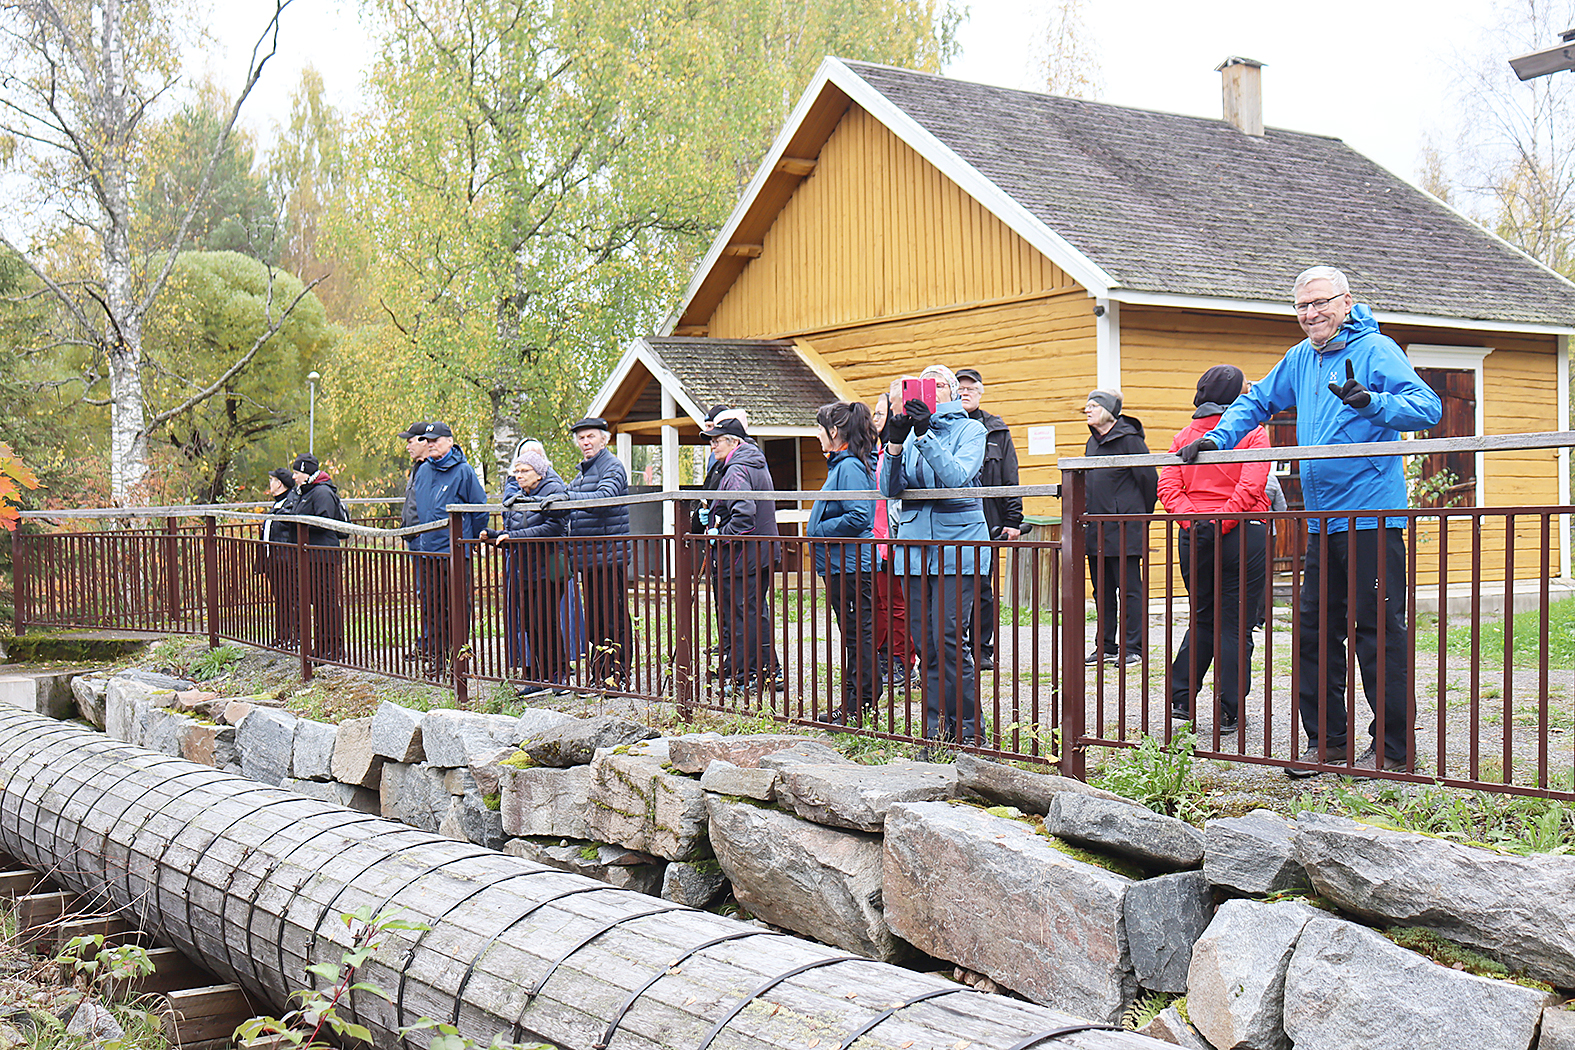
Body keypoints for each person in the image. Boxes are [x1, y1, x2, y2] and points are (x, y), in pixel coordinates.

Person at [1178, 265, 1442, 775]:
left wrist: (1372, 402)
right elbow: (1256, 400)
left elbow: (1425, 407)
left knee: (1377, 631)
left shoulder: (1376, 349)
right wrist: (1217, 440)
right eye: (1301, 306)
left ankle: (1392, 750)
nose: (1310, 314)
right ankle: (1328, 743)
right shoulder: (1300, 358)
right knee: (1315, 632)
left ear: (1345, 302)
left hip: (1371, 514)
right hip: (1322, 521)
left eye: (1320, 303)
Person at [880, 364, 989, 748]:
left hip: (957, 548)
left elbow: (957, 478)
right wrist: (894, 444)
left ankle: (969, 731)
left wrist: (925, 434)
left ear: (952, 392)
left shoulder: (971, 430)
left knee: (948, 638)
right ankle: (935, 730)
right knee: (923, 641)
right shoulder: (908, 434)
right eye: (924, 385)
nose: (930, 391)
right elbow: (889, 490)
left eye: (938, 384)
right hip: (913, 551)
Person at [1158, 365, 1270, 734]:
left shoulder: (1182, 437)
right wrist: (1222, 520)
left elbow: (1168, 486)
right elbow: (1253, 485)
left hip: (1195, 535)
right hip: (1243, 532)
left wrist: (1196, 521)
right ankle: (1229, 710)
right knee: (1236, 622)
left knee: (1203, 615)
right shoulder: (1253, 433)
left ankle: (1181, 699)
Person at [807, 400, 878, 722]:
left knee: (857, 634)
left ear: (834, 431)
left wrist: (818, 530)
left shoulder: (848, 466)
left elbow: (860, 515)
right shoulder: (843, 464)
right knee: (853, 632)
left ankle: (859, 705)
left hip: (851, 565)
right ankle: (857, 702)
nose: (817, 435)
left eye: (820, 428)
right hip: (842, 565)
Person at [703, 414, 783, 693]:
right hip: (759, 552)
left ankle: (748, 675)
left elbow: (744, 515)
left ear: (733, 442)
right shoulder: (752, 462)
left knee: (743, 615)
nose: (713, 446)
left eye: (716, 441)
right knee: (755, 612)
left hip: (743, 555)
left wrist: (719, 532)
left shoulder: (736, 470)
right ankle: (765, 672)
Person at [1082, 389, 1157, 666]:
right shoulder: (1093, 442)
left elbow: (1149, 480)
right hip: (1096, 527)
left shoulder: (1130, 440)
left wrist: (1136, 515)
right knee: (1101, 590)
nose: (1087, 410)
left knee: (1129, 590)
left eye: (1092, 406)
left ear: (1109, 410)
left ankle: (1133, 648)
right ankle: (1106, 646)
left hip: (1125, 527)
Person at [408, 422, 489, 676]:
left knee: (456, 605)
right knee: (432, 606)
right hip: (429, 549)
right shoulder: (423, 471)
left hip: (454, 550)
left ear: (450, 441)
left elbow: (479, 508)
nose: (431, 444)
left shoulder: (463, 471)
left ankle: (459, 660)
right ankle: (436, 658)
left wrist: (471, 540)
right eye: (428, 441)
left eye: (436, 440)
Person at [483, 450, 570, 685]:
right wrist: (495, 535)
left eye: (524, 471)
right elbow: (515, 528)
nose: (519, 476)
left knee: (546, 621)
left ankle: (560, 674)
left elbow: (553, 527)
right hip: (526, 567)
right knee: (531, 624)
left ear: (539, 473)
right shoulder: (520, 495)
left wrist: (513, 536)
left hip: (549, 568)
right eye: (516, 471)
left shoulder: (553, 490)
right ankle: (542, 675)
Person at [956, 367, 1022, 672]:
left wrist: (1013, 518)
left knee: (983, 588)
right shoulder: (944, 426)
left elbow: (1010, 475)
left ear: (980, 393)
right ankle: (956, 646)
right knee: (952, 586)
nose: (965, 392)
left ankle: (982, 649)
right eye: (960, 387)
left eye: (971, 388)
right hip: (952, 520)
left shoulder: (996, 430)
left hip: (988, 521)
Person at [565, 416, 632, 687]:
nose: (585, 442)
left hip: (608, 556)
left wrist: (566, 499)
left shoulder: (612, 467)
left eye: (591, 436)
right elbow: (566, 494)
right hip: (588, 558)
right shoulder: (582, 472)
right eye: (581, 438)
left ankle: (618, 676)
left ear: (604, 439)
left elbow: (604, 499)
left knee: (613, 618)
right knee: (594, 620)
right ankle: (599, 675)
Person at [869, 392, 917, 690]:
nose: (875, 419)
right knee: (882, 606)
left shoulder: (896, 453)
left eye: (880, 413)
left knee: (899, 606)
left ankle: (904, 661)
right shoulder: (874, 453)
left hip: (894, 540)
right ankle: (888, 658)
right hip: (876, 541)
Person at [289, 454, 349, 661]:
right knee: (318, 601)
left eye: (296, 473)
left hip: (324, 554)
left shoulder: (322, 492)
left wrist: (300, 523)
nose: (294, 477)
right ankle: (322, 645)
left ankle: (334, 646)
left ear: (306, 473)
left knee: (327, 601)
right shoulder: (306, 492)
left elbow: (325, 521)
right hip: (312, 555)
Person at [397, 420, 430, 662]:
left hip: (426, 538)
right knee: (424, 593)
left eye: (410, 441)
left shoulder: (431, 467)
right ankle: (426, 642)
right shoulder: (417, 467)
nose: (407, 446)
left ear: (423, 441)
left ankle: (432, 644)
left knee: (431, 593)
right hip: (415, 537)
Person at [256, 468, 298, 649]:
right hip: (274, 560)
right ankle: (282, 635)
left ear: (280, 483)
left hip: (286, 561)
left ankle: (294, 636)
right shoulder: (278, 505)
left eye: (272, 480)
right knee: (281, 599)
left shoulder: (290, 504)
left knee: (291, 599)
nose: (270, 484)